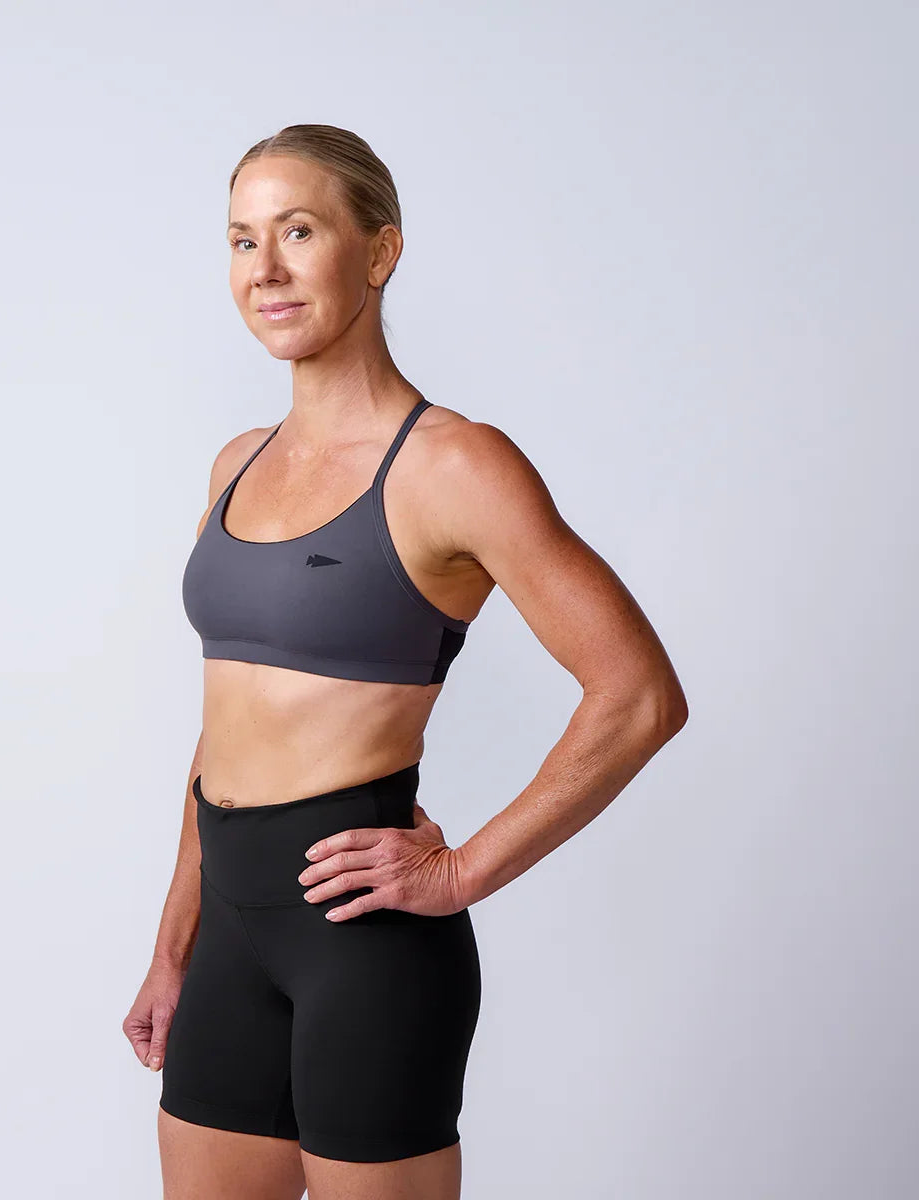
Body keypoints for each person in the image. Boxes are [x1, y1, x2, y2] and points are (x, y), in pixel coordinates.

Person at [124, 124, 689, 1200]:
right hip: (228, 940)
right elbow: (227, 728)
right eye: (243, 240)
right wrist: (172, 947)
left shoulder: (454, 464)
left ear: (379, 251)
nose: (265, 268)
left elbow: (639, 697)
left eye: (299, 231)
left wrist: (463, 871)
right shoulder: (236, 464)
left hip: (364, 946)